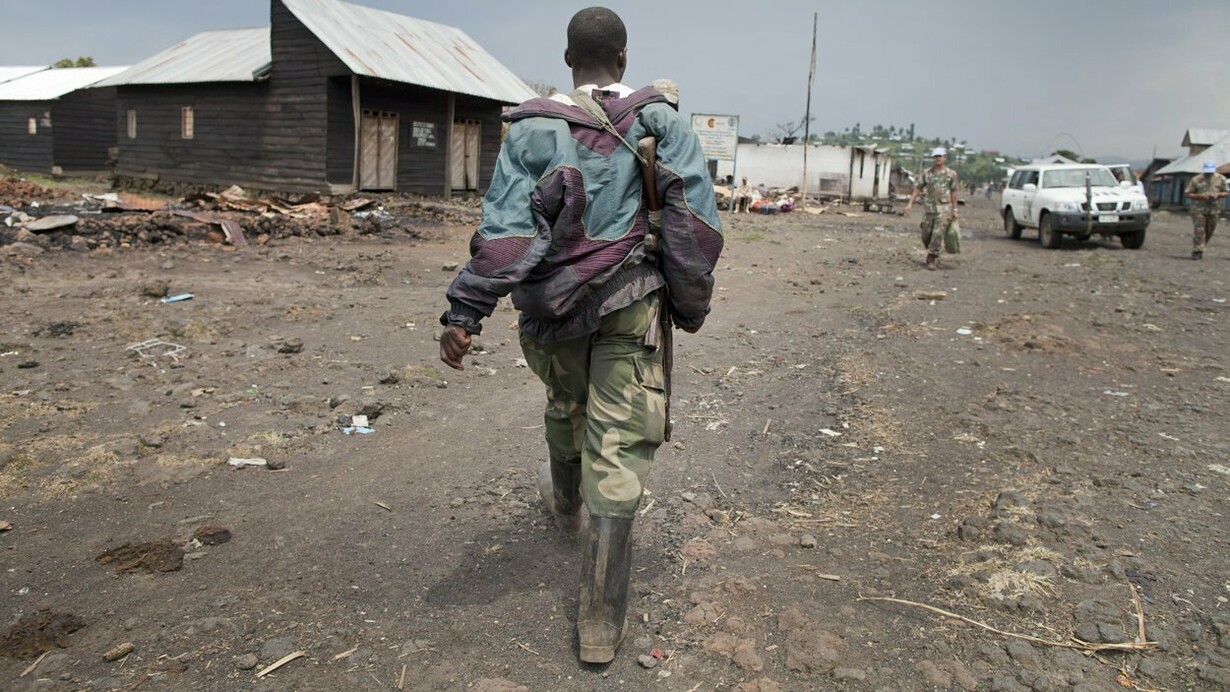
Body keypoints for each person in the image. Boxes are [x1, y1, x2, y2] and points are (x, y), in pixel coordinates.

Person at [437, 6, 723, 664]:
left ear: (569, 62)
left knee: (566, 407)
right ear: (623, 60)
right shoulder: (662, 120)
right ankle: (600, 620)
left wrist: (465, 314)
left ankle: (566, 507)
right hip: (631, 305)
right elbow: (694, 229)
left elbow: (507, 231)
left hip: (551, 315)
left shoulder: (537, 126)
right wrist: (690, 303)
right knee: (618, 445)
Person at [904, 147, 959, 270]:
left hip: (944, 208)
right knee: (926, 233)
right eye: (936, 156)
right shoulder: (927, 173)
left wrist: (955, 209)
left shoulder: (951, 174)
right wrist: (910, 204)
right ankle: (932, 249)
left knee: (937, 233)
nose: (938, 159)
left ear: (945, 158)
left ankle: (931, 258)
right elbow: (918, 188)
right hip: (930, 208)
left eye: (940, 156)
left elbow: (954, 191)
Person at [1183, 161, 1228, 260]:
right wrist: (1200, 196)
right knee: (1200, 230)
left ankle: (1202, 246)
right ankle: (1197, 250)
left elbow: (1226, 192)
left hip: (1214, 209)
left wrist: (1218, 195)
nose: (1209, 174)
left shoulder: (1221, 179)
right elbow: (1187, 194)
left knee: (1209, 230)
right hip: (1198, 209)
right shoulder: (1196, 179)